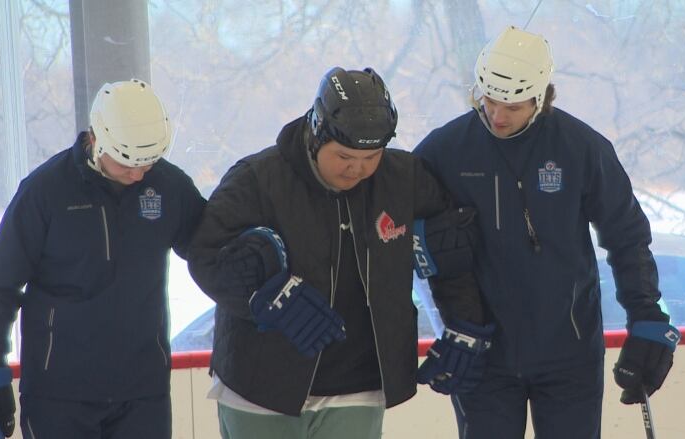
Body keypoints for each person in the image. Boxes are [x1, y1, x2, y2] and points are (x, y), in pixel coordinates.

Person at [187, 66, 494, 439]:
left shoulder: (404, 179)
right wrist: (263, 296)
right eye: (345, 156)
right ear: (318, 134)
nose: (358, 169)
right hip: (261, 385)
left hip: (359, 385)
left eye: (371, 157)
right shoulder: (257, 178)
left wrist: (464, 324)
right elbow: (205, 254)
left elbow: (450, 251)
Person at [413, 26, 681, 438]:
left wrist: (646, 315)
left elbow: (627, 235)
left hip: (569, 353)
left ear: (540, 98)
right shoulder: (443, 152)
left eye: (513, 105)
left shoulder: (581, 148)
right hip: (483, 353)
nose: (498, 116)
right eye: (489, 101)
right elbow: (402, 233)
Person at [0, 79, 205, 439]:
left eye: (147, 163)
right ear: (96, 139)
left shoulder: (167, 187)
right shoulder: (45, 192)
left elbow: (212, 249)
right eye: (127, 163)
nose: (138, 174)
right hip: (60, 395)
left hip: (142, 393)